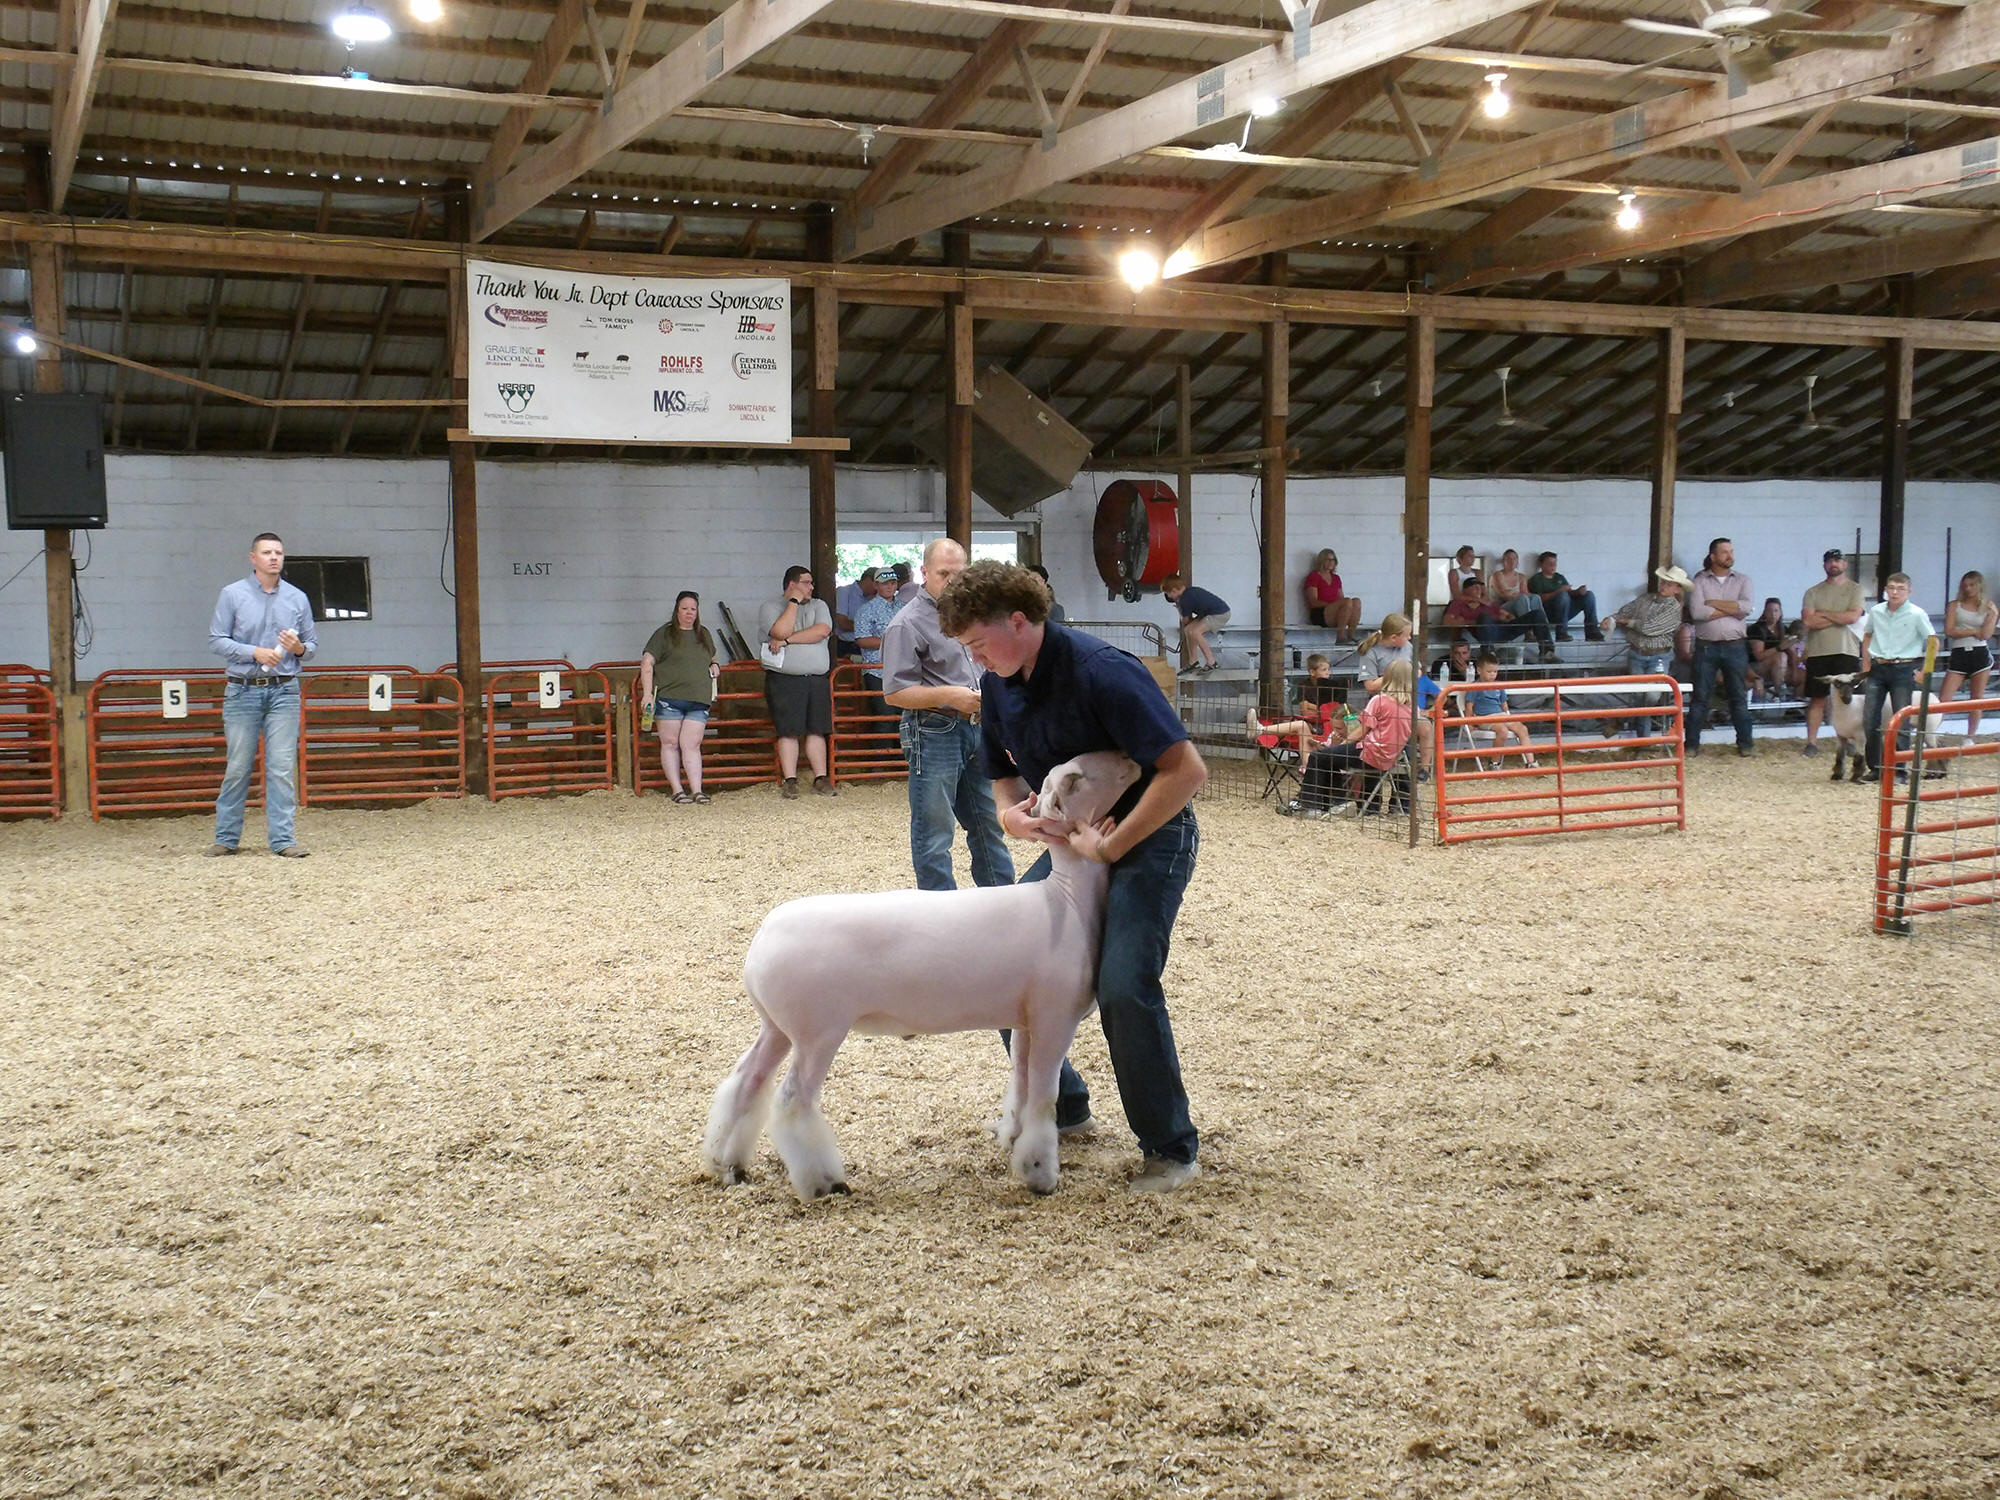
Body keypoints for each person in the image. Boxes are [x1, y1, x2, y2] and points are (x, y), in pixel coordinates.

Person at [937, 561, 1205, 1193]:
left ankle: (1170, 1148)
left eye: (977, 643)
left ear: (1019, 622)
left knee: (1124, 983)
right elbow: (1002, 774)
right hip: (1071, 846)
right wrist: (1011, 815)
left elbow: (1186, 771)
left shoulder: (1104, 671)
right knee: (1004, 965)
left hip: (1150, 837)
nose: (974, 658)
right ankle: (1065, 1106)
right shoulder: (998, 683)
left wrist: (1111, 847)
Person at [881, 538, 1016, 895]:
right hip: (933, 729)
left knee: (989, 824)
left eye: (960, 574)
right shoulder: (907, 623)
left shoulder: (975, 614)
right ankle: (939, 910)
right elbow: (894, 693)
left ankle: (1001, 901)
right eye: (944, 574)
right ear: (924, 573)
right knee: (935, 831)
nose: (954, 582)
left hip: (979, 727)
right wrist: (950, 696)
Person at [206, 531, 317, 857]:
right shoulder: (232, 595)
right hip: (243, 689)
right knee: (238, 767)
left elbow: (312, 646)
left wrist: (299, 648)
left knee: (281, 767)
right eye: (267, 552)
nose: (274, 558)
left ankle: (283, 840)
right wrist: (253, 652)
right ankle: (226, 838)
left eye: (278, 553)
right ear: (253, 558)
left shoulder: (298, 598)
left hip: (285, 690)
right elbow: (216, 640)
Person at [1295, 658, 1415, 816]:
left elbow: (1362, 731)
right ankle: (1362, 807)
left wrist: (1343, 745)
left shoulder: (1379, 700)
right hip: (1392, 756)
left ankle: (1315, 805)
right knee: (1331, 757)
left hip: (1370, 753)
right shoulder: (1412, 707)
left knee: (1319, 757)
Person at [757, 564, 837, 798]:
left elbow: (821, 631)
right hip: (784, 679)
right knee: (788, 731)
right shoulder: (770, 607)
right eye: (806, 583)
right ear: (792, 584)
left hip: (816, 678)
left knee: (817, 729)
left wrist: (788, 642)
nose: (811, 587)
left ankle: (820, 777)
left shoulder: (819, 605)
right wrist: (793, 602)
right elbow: (779, 631)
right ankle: (790, 779)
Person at [638, 590, 721, 804]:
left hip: (698, 698)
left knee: (692, 744)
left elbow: (712, 655)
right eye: (684, 608)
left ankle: (697, 790)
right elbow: (647, 662)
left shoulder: (704, 633)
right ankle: (677, 789)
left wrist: (715, 664)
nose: (689, 613)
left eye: (693, 609)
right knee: (670, 743)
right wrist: (647, 694)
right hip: (669, 698)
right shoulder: (664, 634)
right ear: (677, 610)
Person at [1857, 571, 1938, 783]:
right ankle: (1876, 768)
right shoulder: (1876, 611)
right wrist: (1866, 662)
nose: (1895, 592)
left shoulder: (1917, 614)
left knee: (1901, 720)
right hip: (1878, 667)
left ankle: (1899, 771)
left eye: (1900, 589)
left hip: (1903, 668)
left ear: (1909, 591)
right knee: (1870, 719)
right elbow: (1868, 635)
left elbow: (1932, 640)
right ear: (1885, 590)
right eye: (1891, 588)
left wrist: (1925, 671)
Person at [1686, 537, 1754, 758]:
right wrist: (1733, 609)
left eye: (1731, 551)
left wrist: (1713, 603)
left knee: (1738, 697)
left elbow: (1746, 607)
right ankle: (1691, 745)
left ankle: (1745, 744)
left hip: (1735, 646)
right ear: (1713, 556)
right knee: (1700, 698)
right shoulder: (1699, 580)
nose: (1730, 556)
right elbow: (1697, 612)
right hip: (1707, 646)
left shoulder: (1743, 580)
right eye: (1725, 552)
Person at [1603, 565, 1688, 737]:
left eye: (1669, 584)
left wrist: (1625, 621)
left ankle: (1623, 718)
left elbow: (1649, 628)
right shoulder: (1645, 599)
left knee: (1649, 696)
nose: (1664, 586)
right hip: (1641, 653)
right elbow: (1625, 611)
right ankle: (1643, 740)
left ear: (1677, 589)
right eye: (1664, 582)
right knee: (1643, 696)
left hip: (1657, 656)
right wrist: (1612, 618)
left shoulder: (1673, 609)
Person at [1800, 547, 1866, 757]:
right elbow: (1809, 621)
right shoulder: (1813, 592)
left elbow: (1853, 617)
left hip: (1847, 651)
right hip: (1818, 652)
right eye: (1830, 561)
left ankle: (1848, 741)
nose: (1834, 564)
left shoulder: (1856, 589)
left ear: (1844, 564)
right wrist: (1839, 616)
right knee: (1817, 699)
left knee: (1847, 700)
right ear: (1824, 565)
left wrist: (1823, 614)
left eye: (1837, 561)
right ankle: (1812, 742)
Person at [1443, 575, 1556, 663]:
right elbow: (1447, 621)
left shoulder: (1488, 604)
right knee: (1484, 616)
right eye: (1474, 586)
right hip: (1485, 632)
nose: (1478, 589)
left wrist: (1504, 618)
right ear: (1465, 590)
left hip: (1503, 629)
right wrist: (1473, 622)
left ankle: (1547, 651)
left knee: (1537, 614)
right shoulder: (1458, 604)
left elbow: (1510, 617)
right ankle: (1489, 654)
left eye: (1479, 586)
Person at [1940, 570, 1996, 739]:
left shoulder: (1989, 607)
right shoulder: (1954, 605)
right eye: (1965, 585)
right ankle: (1931, 734)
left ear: (1979, 586)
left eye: (1972, 585)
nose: (1968, 589)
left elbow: (1985, 634)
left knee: (1976, 699)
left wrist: (1993, 616)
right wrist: (1973, 631)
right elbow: (1950, 630)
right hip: (1959, 653)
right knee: (1944, 699)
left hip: (1980, 653)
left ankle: (1970, 737)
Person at [1245, 653, 1341, 747]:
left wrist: (1314, 707)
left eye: (1328, 669)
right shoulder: (1304, 686)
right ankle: (1260, 731)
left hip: (1326, 727)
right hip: (1311, 722)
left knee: (1297, 726)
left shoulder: (1332, 687)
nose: (1328, 673)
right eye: (1324, 670)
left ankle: (1260, 730)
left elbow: (1334, 711)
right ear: (1312, 672)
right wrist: (1320, 709)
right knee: (1298, 725)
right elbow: (1305, 710)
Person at [1467, 651, 1538, 768]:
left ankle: (1531, 762)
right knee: (1502, 731)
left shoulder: (1499, 686)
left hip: (1501, 715)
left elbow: (1504, 704)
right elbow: (1469, 706)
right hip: (1485, 717)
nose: (1492, 675)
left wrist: (1507, 715)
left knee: (1522, 729)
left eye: (1495, 672)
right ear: (1479, 671)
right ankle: (1495, 762)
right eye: (1489, 672)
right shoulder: (1474, 686)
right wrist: (1469, 723)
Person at [852, 567, 902, 710]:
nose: (890, 587)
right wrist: (894, 642)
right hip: (877, 671)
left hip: (903, 670)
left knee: (905, 717)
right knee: (885, 715)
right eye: (885, 583)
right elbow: (862, 640)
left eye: (893, 583)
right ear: (876, 585)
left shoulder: (905, 608)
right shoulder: (865, 610)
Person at [1525, 551, 1601, 643]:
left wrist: (1578, 592)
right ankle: (1561, 632)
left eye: (1555, 563)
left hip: (1565, 610)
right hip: (1548, 613)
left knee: (1589, 595)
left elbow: (1569, 593)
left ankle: (1592, 632)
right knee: (1562, 595)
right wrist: (1558, 591)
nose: (1553, 566)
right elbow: (1538, 599)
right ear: (1541, 565)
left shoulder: (1559, 577)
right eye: (1549, 563)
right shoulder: (1536, 579)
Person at [1161, 574, 1230, 672]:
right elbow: (1188, 625)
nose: (1169, 597)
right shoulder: (1189, 592)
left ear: (1174, 591)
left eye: (1168, 594)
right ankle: (1193, 662)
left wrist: (1179, 609)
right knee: (1188, 630)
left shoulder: (1185, 600)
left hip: (1220, 614)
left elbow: (1185, 621)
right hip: (1208, 613)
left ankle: (1212, 662)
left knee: (1195, 632)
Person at [1489, 549, 1556, 641]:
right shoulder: (1498, 575)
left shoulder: (1521, 577)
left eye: (1514, 559)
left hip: (1518, 603)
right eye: (1508, 559)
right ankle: (1528, 632)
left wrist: (1517, 595)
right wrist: (1518, 595)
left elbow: (1525, 593)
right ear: (1503, 561)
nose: (1511, 561)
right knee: (1522, 598)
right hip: (1502, 607)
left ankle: (1544, 632)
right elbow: (1505, 595)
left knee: (1535, 597)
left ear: (1517, 562)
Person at [1303, 548, 1362, 641]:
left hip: (1334, 611)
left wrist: (1338, 606)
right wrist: (1333, 605)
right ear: (1322, 561)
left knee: (1356, 601)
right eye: (1328, 560)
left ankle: (1351, 635)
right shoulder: (1314, 576)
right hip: (1320, 612)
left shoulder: (1336, 578)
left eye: (1333, 560)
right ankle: (1340, 637)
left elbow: (1342, 599)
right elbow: (1313, 601)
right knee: (1346, 602)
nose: (1331, 562)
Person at [1746, 596, 1796, 702]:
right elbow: (1758, 656)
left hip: (1779, 666)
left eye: (1776, 611)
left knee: (1802, 674)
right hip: (1755, 666)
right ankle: (1780, 691)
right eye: (1769, 611)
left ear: (1780, 612)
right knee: (1781, 656)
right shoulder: (1757, 629)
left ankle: (1798, 701)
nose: (1773, 614)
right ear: (1764, 612)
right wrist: (1779, 647)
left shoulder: (1783, 629)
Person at [1352, 613, 1412, 692]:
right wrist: (1397, 675)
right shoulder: (1371, 652)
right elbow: (1370, 686)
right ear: (1393, 637)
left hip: (1406, 695)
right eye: (1406, 636)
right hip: (1382, 696)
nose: (1409, 638)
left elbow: (1418, 671)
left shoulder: (1407, 646)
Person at [833, 567, 876, 659]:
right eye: (877, 584)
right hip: (847, 646)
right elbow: (843, 623)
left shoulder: (875, 598)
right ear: (869, 580)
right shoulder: (844, 592)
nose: (878, 588)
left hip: (869, 647)